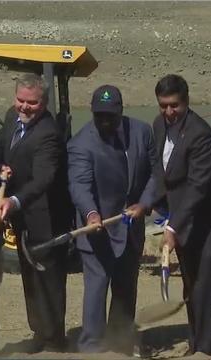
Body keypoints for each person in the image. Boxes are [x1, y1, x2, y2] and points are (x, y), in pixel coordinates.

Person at [67, 85, 157, 354]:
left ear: (121, 111)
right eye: (99, 115)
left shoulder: (141, 132)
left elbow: (155, 172)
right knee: (96, 287)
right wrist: (91, 214)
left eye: (111, 115)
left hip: (131, 225)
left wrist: (144, 202)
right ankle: (92, 346)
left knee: (126, 286)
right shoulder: (81, 144)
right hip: (98, 229)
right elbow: (79, 185)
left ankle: (120, 343)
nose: (105, 121)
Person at [0, 74, 73, 352]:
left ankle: (54, 339)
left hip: (47, 218)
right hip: (22, 218)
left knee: (48, 278)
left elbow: (43, 179)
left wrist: (13, 200)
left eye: (32, 103)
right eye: (20, 100)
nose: (24, 107)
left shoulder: (49, 134)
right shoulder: (12, 117)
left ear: (44, 103)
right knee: (30, 277)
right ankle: (39, 332)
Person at [152, 74, 211, 355]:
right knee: (190, 285)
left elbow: (198, 187)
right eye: (163, 106)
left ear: (186, 102)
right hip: (183, 220)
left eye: (174, 106)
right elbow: (160, 170)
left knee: (203, 289)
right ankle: (195, 342)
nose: (169, 112)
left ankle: (205, 350)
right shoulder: (159, 125)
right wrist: (153, 203)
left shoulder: (201, 134)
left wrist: (172, 228)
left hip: (210, 222)